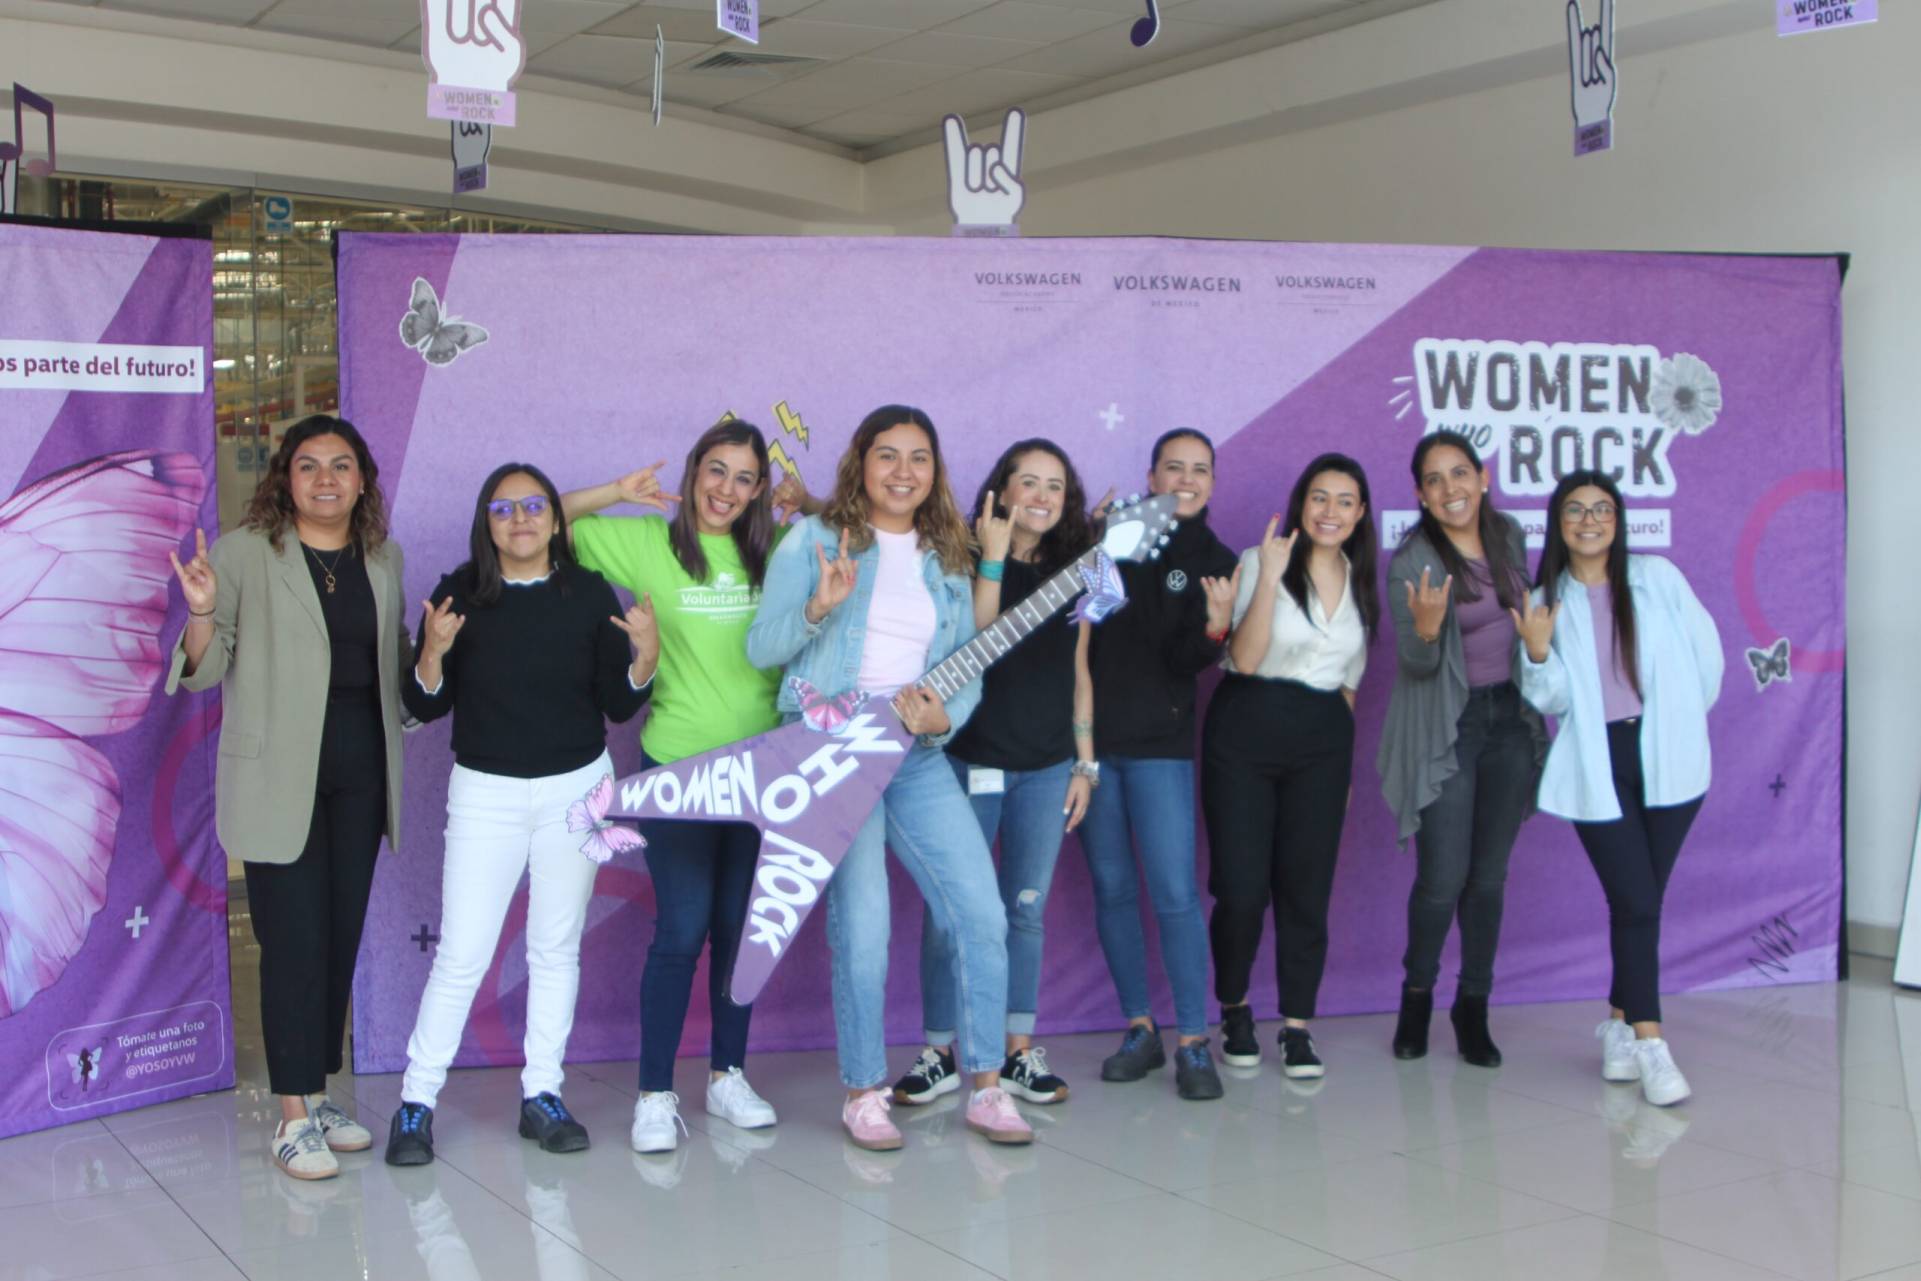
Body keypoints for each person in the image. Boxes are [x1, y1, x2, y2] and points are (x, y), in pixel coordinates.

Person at [746, 405, 1031, 1151]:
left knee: (980, 913)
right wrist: (818, 607)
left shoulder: (949, 553)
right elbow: (761, 646)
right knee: (864, 924)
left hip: (915, 752)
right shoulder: (813, 538)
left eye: (919, 457)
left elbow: (964, 664)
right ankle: (863, 1091)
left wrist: (944, 718)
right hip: (833, 749)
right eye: (887, 455)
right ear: (860, 462)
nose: (903, 472)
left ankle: (987, 1087)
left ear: (935, 470)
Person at [385, 463, 653, 1165]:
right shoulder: (459, 592)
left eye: (534, 506)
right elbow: (424, 705)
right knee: (462, 953)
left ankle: (543, 1094)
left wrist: (646, 657)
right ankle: (416, 1102)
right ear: (487, 523)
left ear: (555, 519)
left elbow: (618, 702)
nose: (520, 519)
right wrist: (433, 653)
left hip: (577, 791)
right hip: (487, 793)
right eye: (503, 510)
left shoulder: (588, 591)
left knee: (554, 947)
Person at [166, 414, 410, 1181]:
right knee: (294, 942)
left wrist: (433, 656)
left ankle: (321, 1091)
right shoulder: (243, 553)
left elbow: (391, 666)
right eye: (308, 465)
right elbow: (205, 670)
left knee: (337, 939)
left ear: (362, 480)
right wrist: (201, 611)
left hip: (360, 775)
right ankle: (293, 1115)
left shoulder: (382, 556)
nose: (325, 479)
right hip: (277, 777)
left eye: (341, 465)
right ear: (286, 477)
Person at [561, 419, 809, 1154]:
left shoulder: (781, 551)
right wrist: (616, 490)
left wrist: (815, 505)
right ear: (695, 472)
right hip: (677, 771)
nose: (725, 489)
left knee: (738, 929)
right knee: (682, 927)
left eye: (744, 477)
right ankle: (654, 1093)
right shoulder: (648, 543)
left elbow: (862, 544)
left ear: (758, 490)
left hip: (763, 772)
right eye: (715, 471)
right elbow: (544, 518)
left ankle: (727, 1075)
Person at [892, 440, 1097, 1109]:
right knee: (950, 912)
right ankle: (939, 1052)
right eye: (1027, 482)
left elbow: (1080, 669)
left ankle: (1016, 1052)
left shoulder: (1076, 572)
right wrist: (996, 557)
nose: (1041, 496)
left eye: (1054, 486)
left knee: (1024, 912)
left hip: (1047, 768)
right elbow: (977, 641)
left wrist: (1085, 762)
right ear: (1001, 491)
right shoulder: (962, 558)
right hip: (968, 760)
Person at [1516, 470, 1722, 1106]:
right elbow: (1550, 700)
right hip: (1596, 762)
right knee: (1635, 900)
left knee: (1640, 902)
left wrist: (1679, 726)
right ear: (1558, 522)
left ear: (1618, 519)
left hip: (1669, 758)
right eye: (1575, 510)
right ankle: (1651, 1044)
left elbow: (1707, 659)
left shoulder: (1656, 578)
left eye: (1602, 509)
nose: (1590, 521)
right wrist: (1538, 652)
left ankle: (1617, 1024)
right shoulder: (1545, 598)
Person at [1204, 455, 1379, 1080]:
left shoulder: (1360, 579)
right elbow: (1246, 659)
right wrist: (1271, 579)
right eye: (1319, 498)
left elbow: (1349, 686)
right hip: (1247, 728)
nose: (1330, 512)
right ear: (1302, 503)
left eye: (1345, 501)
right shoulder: (1262, 560)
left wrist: (1343, 770)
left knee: (1307, 888)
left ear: (1360, 513)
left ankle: (1298, 1025)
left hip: (1322, 741)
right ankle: (1235, 1008)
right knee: (1243, 889)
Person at [1078, 428, 1240, 1100]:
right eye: (1174, 467)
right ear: (1151, 476)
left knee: (1174, 894)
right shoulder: (1112, 533)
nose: (1186, 479)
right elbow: (1078, 628)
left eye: (1199, 469)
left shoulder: (1215, 559)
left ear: (1212, 482)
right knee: (1113, 887)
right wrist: (1088, 542)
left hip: (1160, 747)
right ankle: (1139, 1027)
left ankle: (1194, 1041)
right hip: (1091, 746)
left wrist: (1215, 628)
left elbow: (1182, 661)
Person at [1379, 430, 1545, 1068]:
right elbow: (1418, 665)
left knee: (1489, 878)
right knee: (1442, 879)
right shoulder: (1412, 562)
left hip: (1511, 721)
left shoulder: (1509, 536)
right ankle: (1417, 996)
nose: (1450, 488)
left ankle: (1473, 1005)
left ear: (1482, 477)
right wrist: (1425, 634)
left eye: (1459, 473)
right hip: (1449, 728)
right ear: (1421, 494)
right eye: (1434, 479)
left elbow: (1529, 625)